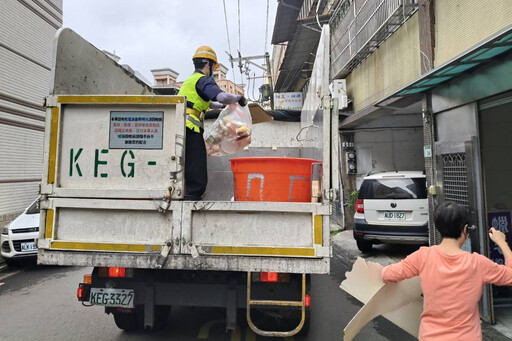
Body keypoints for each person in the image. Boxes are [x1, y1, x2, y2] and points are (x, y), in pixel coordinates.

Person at [381, 201, 512, 340]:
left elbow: (386, 275)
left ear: (438, 228)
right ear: (465, 229)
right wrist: (502, 242)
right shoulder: (478, 263)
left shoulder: (423, 256)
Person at [177, 46, 247, 201]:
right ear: (208, 64)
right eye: (213, 67)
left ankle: (187, 194)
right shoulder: (204, 79)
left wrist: (222, 107)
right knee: (197, 165)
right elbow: (221, 96)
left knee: (186, 164)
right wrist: (238, 98)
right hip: (190, 129)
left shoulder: (190, 80)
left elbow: (204, 103)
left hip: (180, 129)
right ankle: (192, 198)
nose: (213, 72)